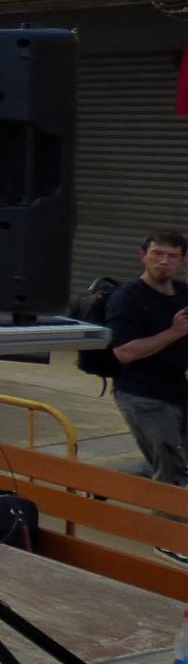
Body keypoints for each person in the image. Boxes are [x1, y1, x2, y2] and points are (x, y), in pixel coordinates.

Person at [105, 232, 188, 555]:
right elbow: (124, 352)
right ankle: (168, 540)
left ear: (182, 260)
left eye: (171, 255)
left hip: (178, 393)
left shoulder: (182, 294)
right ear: (143, 255)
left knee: (173, 461)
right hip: (143, 397)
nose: (163, 261)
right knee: (171, 469)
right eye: (157, 254)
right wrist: (174, 332)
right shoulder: (127, 298)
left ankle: (104, 483)